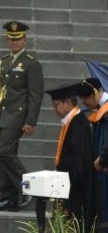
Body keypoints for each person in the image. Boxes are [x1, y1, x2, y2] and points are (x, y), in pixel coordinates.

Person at [0, 21, 44, 211]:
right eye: (11, 39)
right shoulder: (4, 62)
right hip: (3, 115)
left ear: (25, 40)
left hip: (18, 116)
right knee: (2, 155)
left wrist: (31, 121)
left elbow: (35, 95)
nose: (14, 42)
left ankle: (28, 188)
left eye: (18, 39)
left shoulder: (31, 64)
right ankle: (8, 197)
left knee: (5, 151)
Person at [34, 83, 95, 233]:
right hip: (66, 182)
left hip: (75, 188)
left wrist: (64, 188)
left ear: (68, 103)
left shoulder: (79, 124)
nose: (55, 109)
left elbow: (78, 163)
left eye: (56, 105)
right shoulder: (71, 121)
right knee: (38, 193)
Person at [75, 77, 108, 230]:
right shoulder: (101, 112)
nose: (83, 102)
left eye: (84, 98)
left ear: (94, 94)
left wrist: (103, 160)